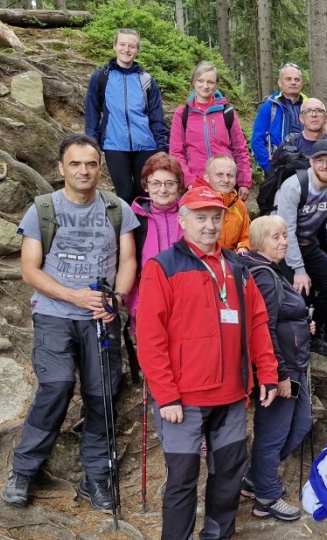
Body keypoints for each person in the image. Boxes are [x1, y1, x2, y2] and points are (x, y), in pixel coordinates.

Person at [136, 185, 279, 540]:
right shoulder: (163, 267)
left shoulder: (237, 267)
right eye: (200, 216)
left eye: (215, 216)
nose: (209, 224)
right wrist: (166, 394)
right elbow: (150, 335)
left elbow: (256, 321)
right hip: (183, 400)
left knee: (227, 477)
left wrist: (267, 372)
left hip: (231, 395)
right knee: (181, 485)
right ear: (182, 219)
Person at [1, 134, 139, 509]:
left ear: (99, 168)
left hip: (101, 317)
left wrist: (118, 299)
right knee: (56, 386)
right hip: (54, 314)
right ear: (61, 168)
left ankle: (96, 479)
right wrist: (74, 295)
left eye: (91, 164)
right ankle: (23, 472)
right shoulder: (42, 209)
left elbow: (128, 261)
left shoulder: (116, 209)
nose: (83, 170)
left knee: (102, 396)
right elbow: (29, 270)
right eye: (75, 164)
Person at [237, 216, 310, 522]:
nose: (283, 242)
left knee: (300, 423)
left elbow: (281, 316)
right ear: (258, 242)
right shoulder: (264, 274)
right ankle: (267, 495)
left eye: (284, 235)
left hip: (293, 363)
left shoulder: (271, 271)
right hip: (283, 368)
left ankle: (254, 478)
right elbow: (263, 327)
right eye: (275, 237)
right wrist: (278, 374)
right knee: (274, 432)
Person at [275, 138, 327, 357]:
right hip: (282, 246)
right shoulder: (294, 186)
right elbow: (285, 230)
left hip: (310, 243)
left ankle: (319, 335)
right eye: (319, 161)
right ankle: (299, 339)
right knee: (300, 290)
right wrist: (298, 270)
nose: (324, 166)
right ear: (311, 162)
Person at [83, 29, 169, 205]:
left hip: (146, 144)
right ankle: (124, 232)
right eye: (122, 44)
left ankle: (144, 231)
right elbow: (92, 110)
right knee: (124, 192)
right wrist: (92, 141)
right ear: (115, 46)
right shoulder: (101, 78)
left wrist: (162, 146)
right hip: (114, 145)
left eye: (132, 46)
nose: (126, 49)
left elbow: (156, 115)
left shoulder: (146, 80)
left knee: (143, 192)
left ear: (137, 50)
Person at [169, 62, 251, 200]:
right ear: (194, 81)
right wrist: (189, 180)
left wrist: (244, 181)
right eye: (200, 81)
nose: (205, 86)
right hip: (197, 182)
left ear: (216, 84)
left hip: (225, 181)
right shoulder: (183, 113)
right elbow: (176, 152)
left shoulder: (227, 112)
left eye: (210, 82)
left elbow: (240, 149)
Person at [127, 152, 184, 330]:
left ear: (179, 186)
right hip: (147, 303)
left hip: (187, 303)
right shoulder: (134, 219)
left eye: (170, 183)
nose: (163, 190)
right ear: (146, 185)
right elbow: (127, 264)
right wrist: (136, 305)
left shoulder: (192, 216)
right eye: (156, 183)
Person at [250, 63, 306, 173]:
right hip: (278, 166)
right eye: (288, 79)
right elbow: (257, 139)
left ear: (301, 83)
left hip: (305, 165)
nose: (293, 82)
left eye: (297, 79)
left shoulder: (309, 106)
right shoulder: (270, 106)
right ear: (280, 82)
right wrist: (269, 167)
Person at [189, 155, 251, 252]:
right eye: (219, 174)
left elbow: (246, 236)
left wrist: (243, 247)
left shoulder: (239, 204)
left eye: (230, 175)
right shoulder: (195, 202)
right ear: (207, 177)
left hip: (232, 260)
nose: (226, 180)